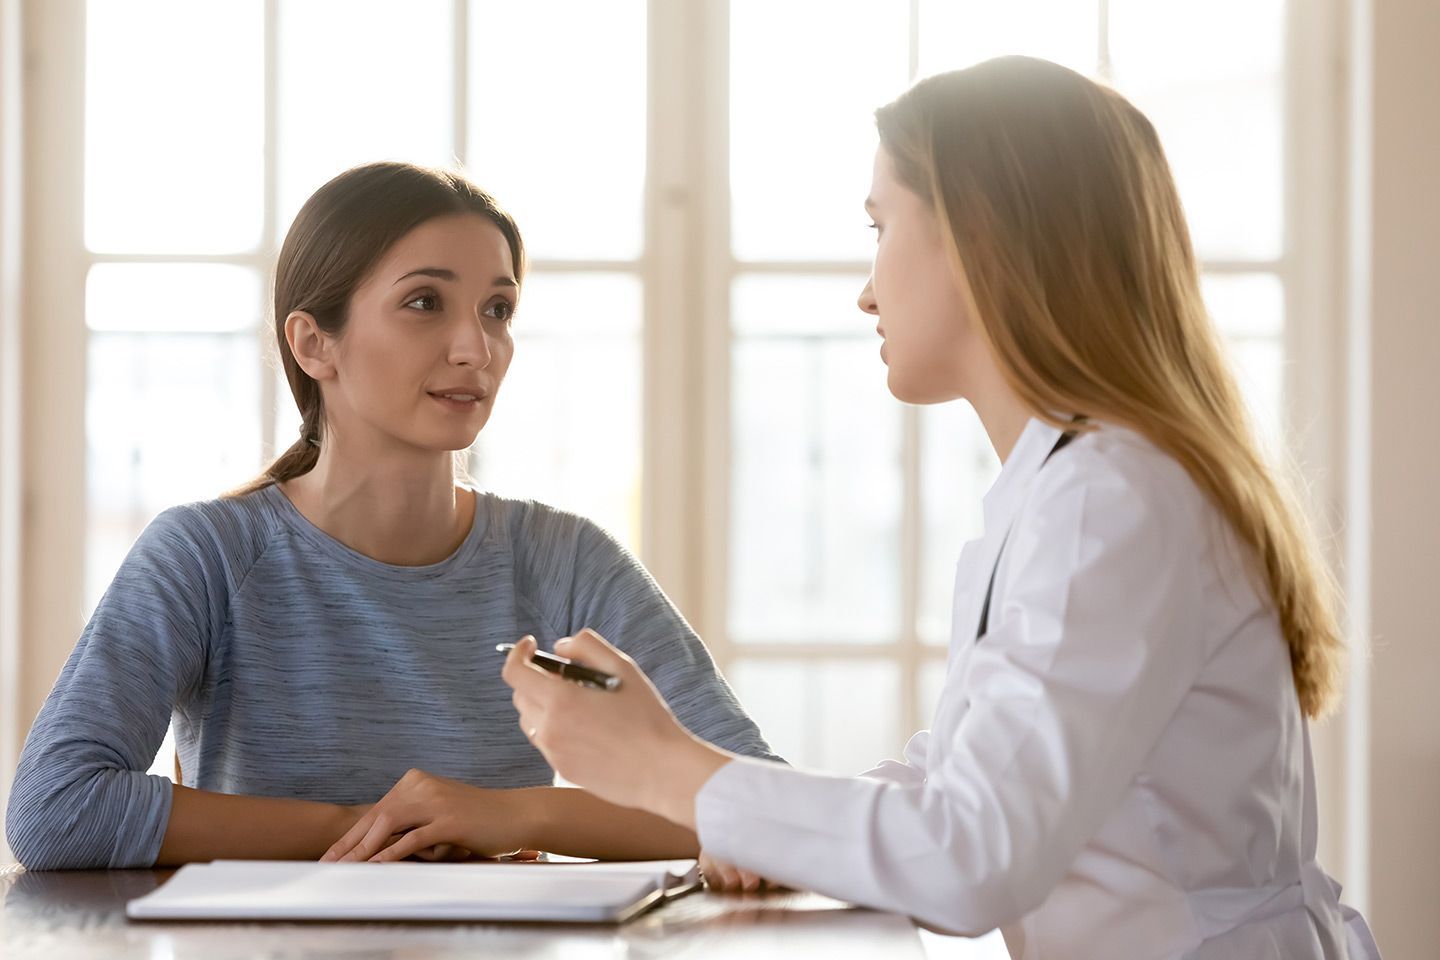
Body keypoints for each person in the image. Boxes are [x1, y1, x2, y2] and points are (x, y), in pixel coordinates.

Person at [492, 58, 1380, 958]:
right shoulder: (1072, 482)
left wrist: (669, 768)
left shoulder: (1110, 494)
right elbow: (958, 780)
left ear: (981, 236)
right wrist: (748, 818)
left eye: (879, 226)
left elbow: (971, 855)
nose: (866, 288)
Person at [5, 161, 776, 871]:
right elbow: (57, 810)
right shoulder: (205, 554)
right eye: (423, 302)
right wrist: (390, 825)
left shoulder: (564, 559)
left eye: (498, 308)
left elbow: (764, 805)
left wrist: (507, 816)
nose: (477, 347)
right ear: (314, 344)